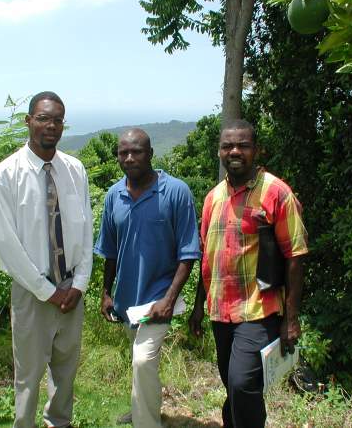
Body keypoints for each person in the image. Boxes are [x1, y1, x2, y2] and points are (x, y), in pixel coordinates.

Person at [189, 120, 308, 428]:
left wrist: (291, 318)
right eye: (228, 146)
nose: (234, 151)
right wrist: (198, 307)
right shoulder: (213, 198)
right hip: (220, 310)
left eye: (242, 145)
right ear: (219, 152)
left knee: (242, 382)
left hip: (259, 308)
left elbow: (295, 255)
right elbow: (207, 257)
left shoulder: (276, 192)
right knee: (233, 384)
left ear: (257, 150)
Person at [0, 91, 92, 428]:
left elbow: (87, 230)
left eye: (58, 120)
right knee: (28, 377)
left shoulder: (75, 170)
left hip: (72, 291)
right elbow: (5, 244)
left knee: (66, 371)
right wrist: (47, 291)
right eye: (43, 118)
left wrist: (80, 284)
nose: (51, 126)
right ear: (28, 121)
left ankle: (59, 423)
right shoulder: (4, 175)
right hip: (32, 295)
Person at [95, 129, 200, 428]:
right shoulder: (114, 195)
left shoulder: (176, 192)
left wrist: (169, 299)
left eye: (137, 152)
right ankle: (143, 408)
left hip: (159, 297)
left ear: (151, 154)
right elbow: (110, 250)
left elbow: (189, 252)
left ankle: (147, 422)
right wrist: (106, 292)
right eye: (123, 153)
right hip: (127, 300)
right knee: (141, 362)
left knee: (142, 360)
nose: (129, 158)